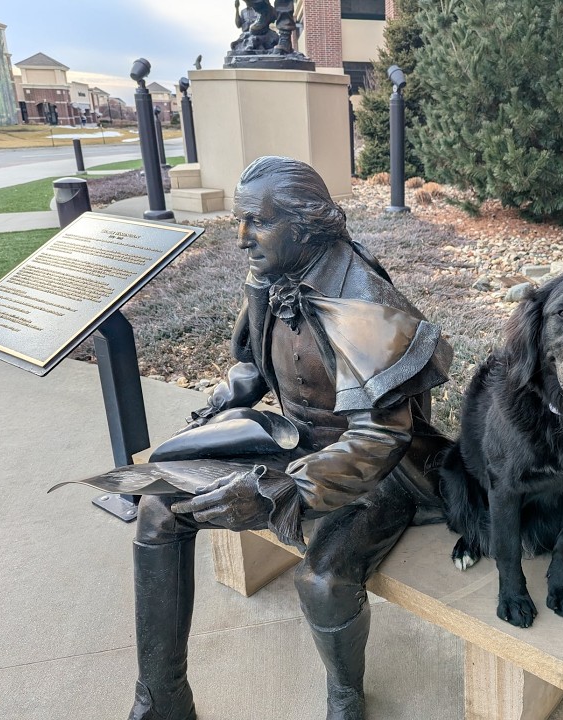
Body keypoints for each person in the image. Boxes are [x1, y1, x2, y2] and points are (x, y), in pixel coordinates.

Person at [126, 155, 453, 720]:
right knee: (157, 508)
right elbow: (255, 362)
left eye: (258, 222)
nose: (242, 239)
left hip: (379, 471)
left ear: (305, 225)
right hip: (292, 440)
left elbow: (382, 436)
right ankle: (161, 699)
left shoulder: (368, 301)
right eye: (239, 222)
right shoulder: (270, 273)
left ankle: (346, 696)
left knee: (322, 580)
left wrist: (285, 493)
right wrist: (227, 399)